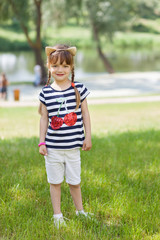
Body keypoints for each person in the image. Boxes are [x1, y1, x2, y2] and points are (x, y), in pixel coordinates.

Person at [38, 44, 92, 229]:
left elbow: (85, 114)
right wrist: (42, 141)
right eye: (56, 66)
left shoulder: (78, 89)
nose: (60, 70)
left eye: (65, 66)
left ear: (72, 67)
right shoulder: (46, 92)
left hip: (73, 148)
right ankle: (57, 216)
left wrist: (88, 136)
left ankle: (80, 211)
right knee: (55, 182)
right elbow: (44, 119)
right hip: (53, 148)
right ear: (49, 66)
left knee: (75, 182)